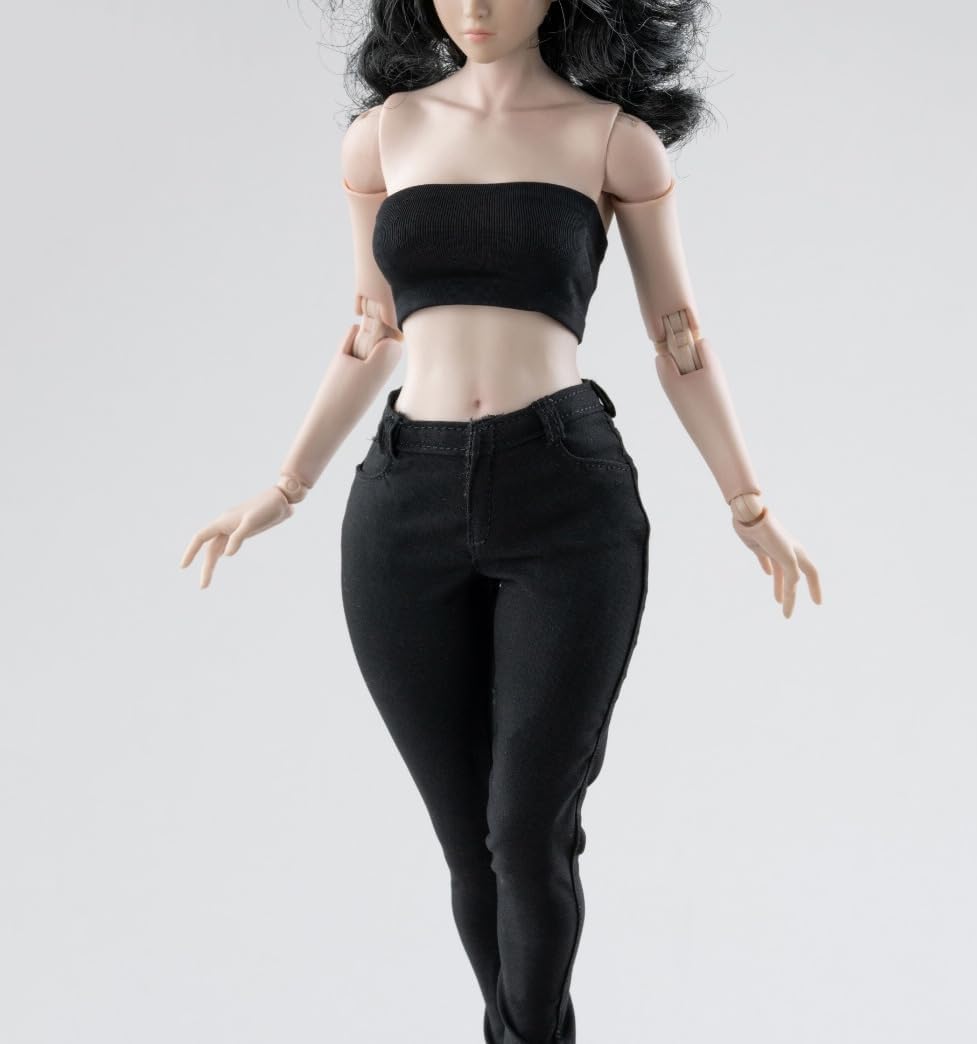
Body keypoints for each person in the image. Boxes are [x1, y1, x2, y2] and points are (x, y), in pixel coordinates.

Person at [181, 1, 822, 1040]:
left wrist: (748, 504)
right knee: (467, 842)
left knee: (528, 831)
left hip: (564, 496)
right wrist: (285, 487)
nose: (476, 5)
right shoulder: (384, 135)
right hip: (404, 504)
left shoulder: (611, 140)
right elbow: (370, 329)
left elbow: (679, 336)